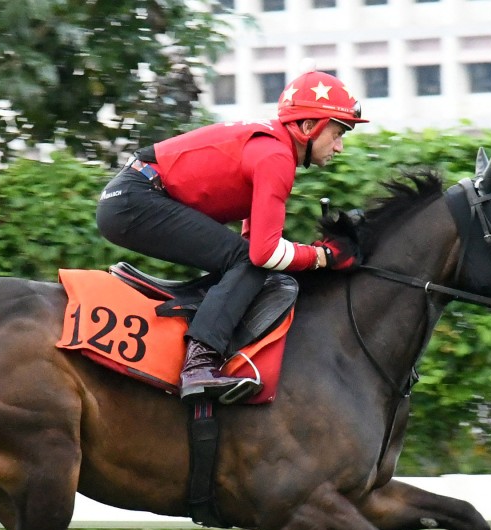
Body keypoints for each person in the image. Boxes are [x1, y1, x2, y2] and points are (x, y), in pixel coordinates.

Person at [96, 70, 367, 400]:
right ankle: (199, 363)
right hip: (134, 199)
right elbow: (263, 254)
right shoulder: (276, 156)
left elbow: (256, 243)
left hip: (133, 195)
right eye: (337, 133)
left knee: (244, 259)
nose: (339, 147)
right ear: (310, 127)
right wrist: (322, 257)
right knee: (248, 262)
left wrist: (313, 256)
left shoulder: (274, 147)